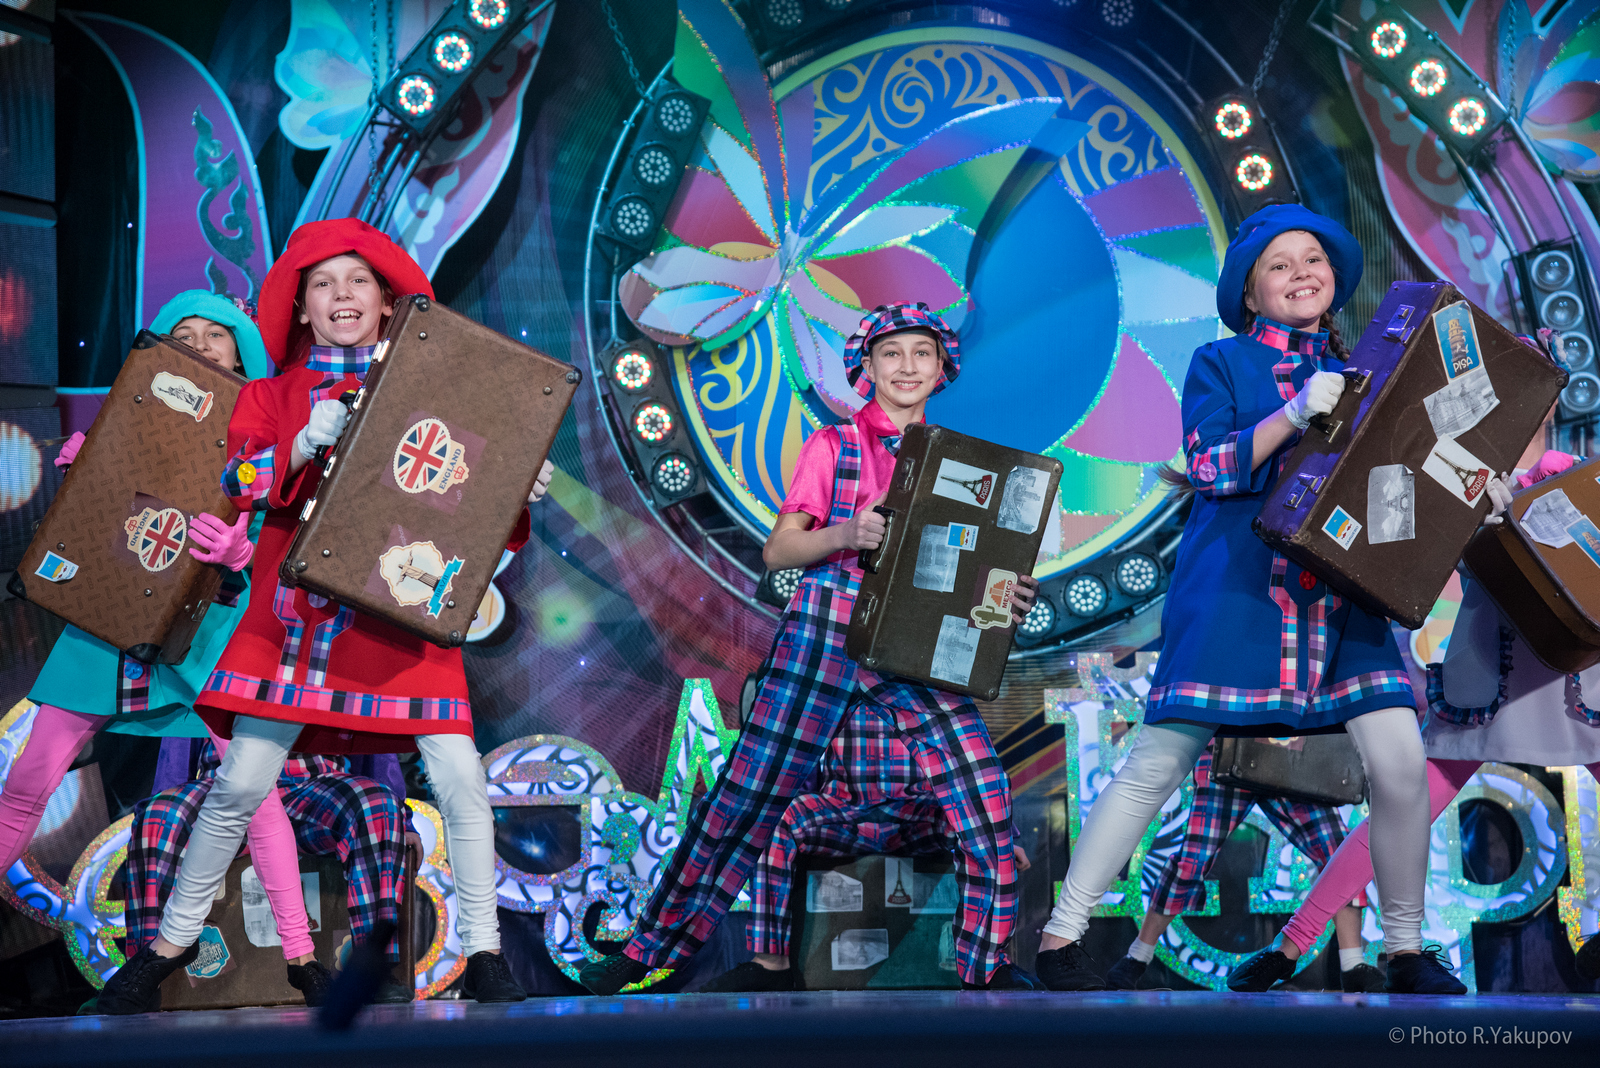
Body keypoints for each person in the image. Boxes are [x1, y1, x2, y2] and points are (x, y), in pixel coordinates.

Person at [1032, 204, 1509, 995]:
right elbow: (1210, 467)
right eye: (1279, 265)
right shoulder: (1221, 362)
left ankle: (1403, 949)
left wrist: (1469, 496)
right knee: (1158, 762)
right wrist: (1291, 414)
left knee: (1399, 761)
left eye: (1312, 259)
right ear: (1250, 293)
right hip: (1237, 591)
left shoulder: (1375, 375)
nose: (1300, 274)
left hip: (1344, 601)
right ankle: (1061, 936)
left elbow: (1401, 491)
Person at [95, 219, 555, 1013]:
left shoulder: (438, 397)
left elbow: (467, 509)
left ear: (388, 302)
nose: (342, 294)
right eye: (323, 283)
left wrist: (515, 491)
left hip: (397, 625)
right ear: (302, 308)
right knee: (240, 785)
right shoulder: (270, 395)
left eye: (358, 281)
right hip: (293, 624)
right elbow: (237, 482)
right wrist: (303, 443)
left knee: (460, 779)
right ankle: (166, 949)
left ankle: (484, 953)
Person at [581, 302, 1040, 994]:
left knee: (982, 789)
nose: (907, 366)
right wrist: (845, 535)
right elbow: (779, 549)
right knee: (746, 793)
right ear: (867, 368)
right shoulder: (834, 445)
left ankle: (988, 964)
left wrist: (1010, 595)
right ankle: (647, 952)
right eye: (892, 354)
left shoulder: (963, 462)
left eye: (921, 353)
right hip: (828, 623)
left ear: (943, 367)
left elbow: (978, 572)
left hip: (913, 636)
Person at [0, 291, 348, 1004]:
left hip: (205, 638)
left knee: (254, 796)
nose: (197, 343)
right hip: (107, 629)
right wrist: (87, 483)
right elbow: (92, 539)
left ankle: (302, 957)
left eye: (215, 335)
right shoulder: (129, 425)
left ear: (242, 356)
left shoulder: (271, 443)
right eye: (181, 332)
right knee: (28, 780)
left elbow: (287, 545)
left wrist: (241, 555)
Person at [1230, 444, 1600, 991]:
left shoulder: (1571, 481)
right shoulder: (1459, 488)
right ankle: (1291, 943)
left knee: (1400, 810)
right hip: (1497, 683)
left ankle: (1290, 945)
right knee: (1399, 811)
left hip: (1569, 681)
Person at [701, 701, 1032, 992]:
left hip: (918, 815)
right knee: (776, 818)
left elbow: (971, 766)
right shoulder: (837, 676)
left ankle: (985, 963)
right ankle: (771, 962)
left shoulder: (926, 685)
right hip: (845, 813)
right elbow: (791, 756)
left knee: (977, 821)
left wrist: (1004, 836)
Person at [125, 738, 411, 1002]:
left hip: (313, 787)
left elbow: (372, 733)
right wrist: (164, 797)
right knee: (159, 817)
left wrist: (403, 822)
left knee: (378, 807)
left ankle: (372, 972)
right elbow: (179, 742)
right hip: (225, 789)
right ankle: (142, 976)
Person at [1103, 741, 1379, 993]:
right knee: (1192, 859)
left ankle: (1351, 964)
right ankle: (1137, 956)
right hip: (1228, 746)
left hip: (1293, 752)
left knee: (1338, 852)